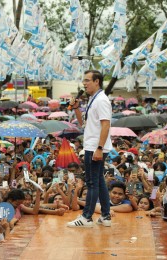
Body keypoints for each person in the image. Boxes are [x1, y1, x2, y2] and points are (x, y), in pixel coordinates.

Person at [67, 70, 112, 228]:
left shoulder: (101, 100)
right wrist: (76, 108)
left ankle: (86, 217)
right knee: (99, 182)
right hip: (93, 144)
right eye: (83, 80)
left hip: (95, 146)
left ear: (97, 81)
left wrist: (99, 148)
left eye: (87, 80)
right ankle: (106, 216)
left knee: (92, 182)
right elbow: (84, 124)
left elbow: (106, 124)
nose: (84, 83)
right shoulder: (94, 99)